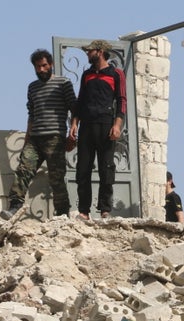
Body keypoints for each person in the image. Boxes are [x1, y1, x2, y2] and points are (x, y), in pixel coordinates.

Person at [0, 49, 77, 220]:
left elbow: (74, 108)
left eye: (44, 66)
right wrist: (27, 140)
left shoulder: (63, 83)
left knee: (56, 178)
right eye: (37, 67)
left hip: (55, 137)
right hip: (35, 138)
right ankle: (15, 207)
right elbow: (32, 115)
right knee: (23, 170)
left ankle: (63, 214)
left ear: (51, 65)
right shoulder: (32, 87)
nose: (41, 70)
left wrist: (73, 130)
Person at [68, 40, 127, 220]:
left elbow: (122, 101)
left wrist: (117, 125)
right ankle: (84, 211)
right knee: (82, 169)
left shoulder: (116, 74)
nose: (87, 54)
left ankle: (105, 210)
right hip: (87, 126)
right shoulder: (86, 75)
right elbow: (80, 101)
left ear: (100, 52)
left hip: (106, 126)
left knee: (106, 169)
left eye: (90, 51)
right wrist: (74, 124)